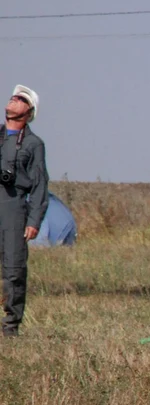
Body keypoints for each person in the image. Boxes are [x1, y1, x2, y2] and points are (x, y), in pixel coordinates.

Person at [0, 85, 49, 337]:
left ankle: (10, 327)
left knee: (13, 270)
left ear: (29, 112)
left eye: (21, 99)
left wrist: (34, 220)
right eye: (14, 96)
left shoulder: (33, 144)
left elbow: (40, 184)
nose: (14, 98)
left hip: (14, 209)